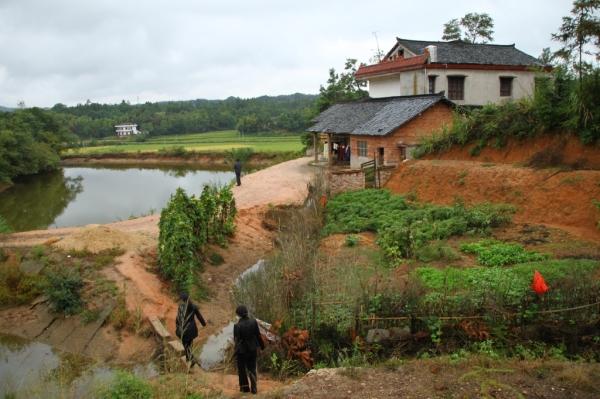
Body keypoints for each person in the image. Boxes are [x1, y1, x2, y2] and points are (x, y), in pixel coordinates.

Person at [234, 305, 265, 394]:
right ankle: (254, 388)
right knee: (252, 368)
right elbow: (258, 335)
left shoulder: (237, 326)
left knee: (242, 369)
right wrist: (262, 346)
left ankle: (245, 388)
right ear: (246, 312)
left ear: (238, 315)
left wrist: (235, 351)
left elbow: (236, 341)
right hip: (252, 349)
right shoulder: (254, 322)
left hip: (242, 351)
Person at [175, 292, 206, 369]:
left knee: (185, 345)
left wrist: (177, 327)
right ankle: (190, 359)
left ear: (182, 299)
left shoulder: (180, 307)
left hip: (184, 330)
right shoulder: (193, 306)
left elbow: (178, 318)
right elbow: (199, 316)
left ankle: (190, 359)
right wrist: (204, 324)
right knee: (190, 345)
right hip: (192, 330)